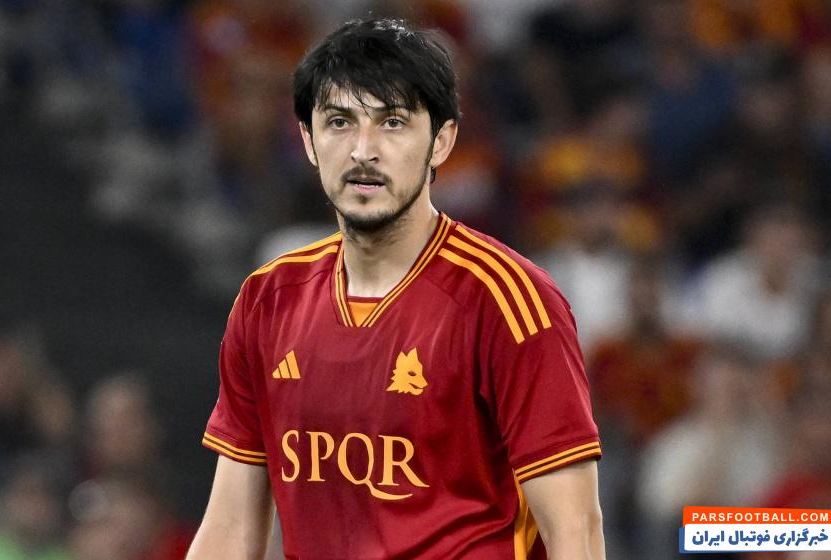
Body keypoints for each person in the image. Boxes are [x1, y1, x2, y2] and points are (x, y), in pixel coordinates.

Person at [187, 18, 604, 560]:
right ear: (308, 141)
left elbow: (576, 529)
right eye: (339, 122)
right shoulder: (267, 299)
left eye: (393, 123)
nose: (363, 150)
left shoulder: (509, 300)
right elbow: (230, 528)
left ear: (441, 141)